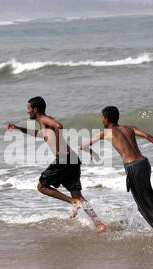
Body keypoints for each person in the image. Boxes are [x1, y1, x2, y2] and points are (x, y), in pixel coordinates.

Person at [7, 96, 106, 232]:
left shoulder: (43, 119)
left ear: (35, 109)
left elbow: (59, 126)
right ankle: (98, 223)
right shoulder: (43, 122)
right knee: (78, 195)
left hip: (64, 158)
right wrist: (19, 128)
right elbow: (38, 134)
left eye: (28, 108)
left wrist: (59, 148)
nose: (27, 111)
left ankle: (73, 203)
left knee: (42, 186)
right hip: (72, 159)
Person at [80, 106, 153, 234]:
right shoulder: (129, 128)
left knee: (143, 207)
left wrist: (92, 153)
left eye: (102, 117)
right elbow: (147, 136)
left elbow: (83, 146)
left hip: (133, 167)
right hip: (144, 163)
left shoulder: (105, 133)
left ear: (106, 119)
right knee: (147, 198)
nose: (101, 120)